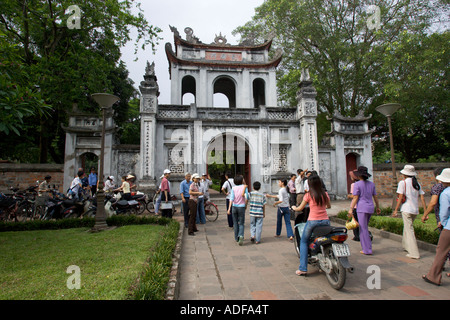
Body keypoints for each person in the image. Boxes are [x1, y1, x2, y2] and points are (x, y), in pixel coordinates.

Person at [291, 175, 331, 276]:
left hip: (313, 221)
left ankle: (303, 268)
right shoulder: (325, 194)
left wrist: (294, 207)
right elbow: (328, 206)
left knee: (304, 241)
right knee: (326, 238)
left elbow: (300, 208)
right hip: (325, 221)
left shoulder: (309, 195)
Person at [423, 168, 450, 285]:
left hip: (449, 226)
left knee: (441, 251)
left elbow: (443, 213)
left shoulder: (445, 193)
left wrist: (442, 223)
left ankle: (433, 276)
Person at [393, 164, 426, 259]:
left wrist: (396, 210)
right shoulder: (417, 184)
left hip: (406, 209)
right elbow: (422, 198)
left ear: (404, 174)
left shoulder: (402, 183)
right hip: (415, 209)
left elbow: (399, 198)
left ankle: (414, 253)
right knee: (407, 228)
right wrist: (425, 211)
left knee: (409, 229)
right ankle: (406, 246)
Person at [348, 166, 380, 255]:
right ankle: (367, 247)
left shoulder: (357, 184)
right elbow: (375, 197)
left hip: (361, 208)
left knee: (363, 229)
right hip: (370, 207)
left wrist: (351, 209)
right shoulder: (371, 184)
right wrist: (378, 207)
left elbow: (355, 198)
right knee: (364, 227)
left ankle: (367, 249)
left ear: (358, 175)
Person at [227, 174, 249, 245]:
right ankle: (241, 235)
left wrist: (229, 208)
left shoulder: (233, 188)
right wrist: (245, 205)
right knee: (241, 223)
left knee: (235, 223)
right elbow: (247, 197)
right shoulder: (244, 187)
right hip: (241, 207)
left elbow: (231, 199)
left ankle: (236, 238)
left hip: (234, 207)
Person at [347, 170, 360, 241]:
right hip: (362, 206)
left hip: (355, 206)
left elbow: (354, 196)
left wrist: (349, 196)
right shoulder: (364, 183)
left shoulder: (354, 185)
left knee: (355, 222)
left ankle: (356, 236)